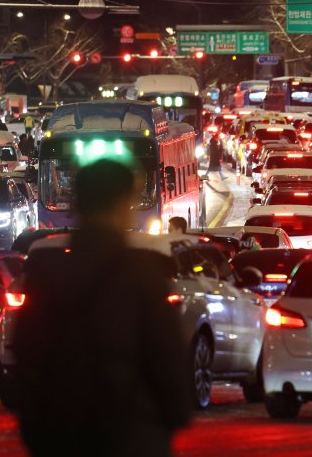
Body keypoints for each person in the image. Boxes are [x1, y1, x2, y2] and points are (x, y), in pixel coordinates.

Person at [13, 160, 191, 457]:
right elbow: (167, 360)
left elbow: (26, 356)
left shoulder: (46, 275)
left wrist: (38, 428)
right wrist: (167, 419)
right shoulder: (142, 275)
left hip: (62, 434)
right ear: (124, 202)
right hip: (130, 434)